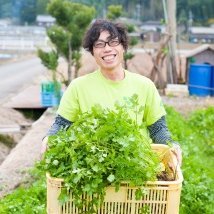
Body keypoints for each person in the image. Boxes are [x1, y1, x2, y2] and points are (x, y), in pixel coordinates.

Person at [41, 19, 182, 165]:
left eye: (113, 42)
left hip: (137, 167)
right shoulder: (78, 87)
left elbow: (158, 129)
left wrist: (171, 145)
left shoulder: (145, 86)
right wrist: (49, 137)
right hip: (92, 167)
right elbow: (61, 124)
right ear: (93, 51)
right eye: (99, 44)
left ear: (123, 47)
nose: (107, 49)